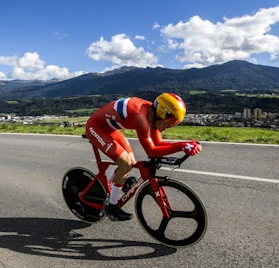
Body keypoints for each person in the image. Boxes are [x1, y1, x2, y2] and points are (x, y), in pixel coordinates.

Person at [85, 93, 202, 221]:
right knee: (125, 163)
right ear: (161, 114)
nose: (167, 128)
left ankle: (114, 185)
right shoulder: (140, 117)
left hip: (110, 129)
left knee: (131, 162)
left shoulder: (154, 114)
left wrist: (185, 144)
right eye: (168, 124)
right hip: (95, 127)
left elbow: (158, 143)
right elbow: (151, 151)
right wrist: (181, 146)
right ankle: (112, 206)